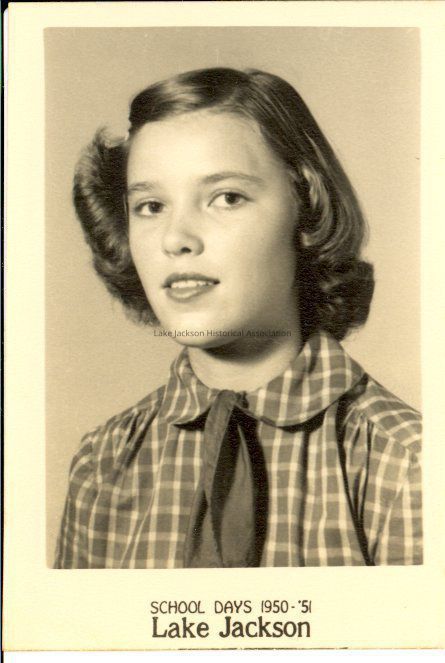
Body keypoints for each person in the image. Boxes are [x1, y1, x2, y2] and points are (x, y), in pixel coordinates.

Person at [54, 67, 422, 568]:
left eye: (226, 198)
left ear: (307, 209)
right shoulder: (102, 465)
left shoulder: (407, 464)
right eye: (151, 206)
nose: (176, 239)